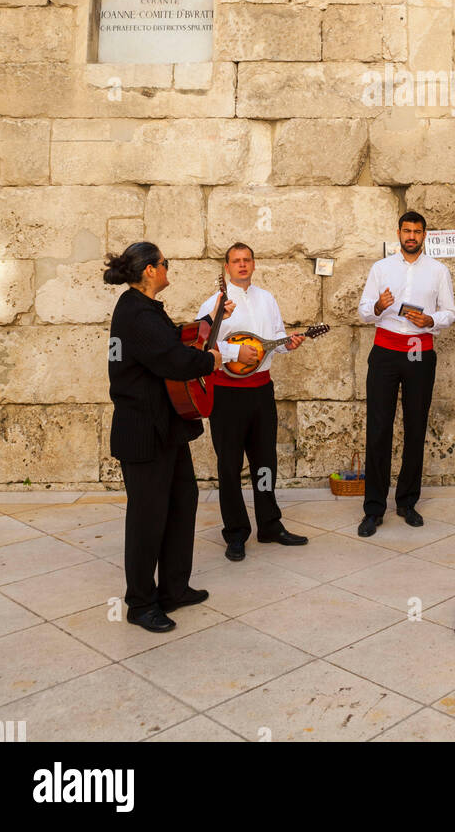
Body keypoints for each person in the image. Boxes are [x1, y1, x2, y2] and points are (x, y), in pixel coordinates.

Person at [105, 241, 222, 633]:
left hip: (167, 426)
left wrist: (208, 321)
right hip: (143, 430)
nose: (168, 268)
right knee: (147, 517)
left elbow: (172, 339)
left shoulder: (144, 309)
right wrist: (212, 360)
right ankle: (140, 603)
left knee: (182, 501)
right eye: (165, 264)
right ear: (151, 270)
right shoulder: (136, 313)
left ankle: (174, 588)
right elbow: (172, 358)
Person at [196, 242, 307, 561]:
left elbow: (273, 341)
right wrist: (233, 353)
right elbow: (201, 343)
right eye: (236, 261)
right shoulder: (215, 303)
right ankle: (235, 533)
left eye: (247, 260)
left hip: (261, 391)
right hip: (227, 393)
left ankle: (270, 525)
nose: (242, 265)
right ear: (227, 267)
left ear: (254, 265)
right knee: (229, 465)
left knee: (265, 462)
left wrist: (290, 344)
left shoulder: (267, 299)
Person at [356, 211, 455, 536]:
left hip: (419, 350)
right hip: (385, 351)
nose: (411, 236)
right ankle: (374, 509)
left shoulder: (438, 270)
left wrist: (432, 322)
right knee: (379, 428)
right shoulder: (381, 268)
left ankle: (407, 502)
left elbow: (450, 312)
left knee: (415, 426)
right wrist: (378, 306)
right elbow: (363, 311)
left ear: (424, 235)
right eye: (406, 230)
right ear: (398, 233)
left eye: (417, 231)